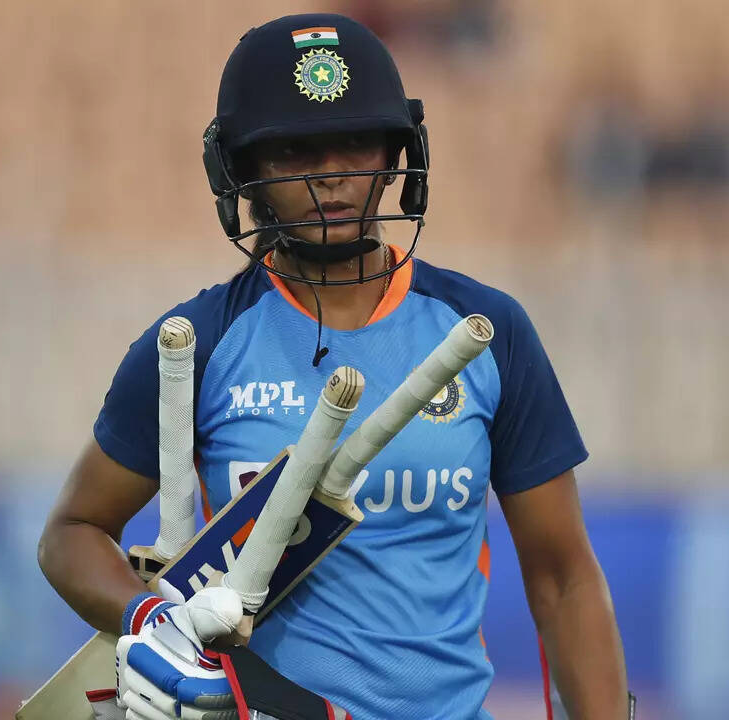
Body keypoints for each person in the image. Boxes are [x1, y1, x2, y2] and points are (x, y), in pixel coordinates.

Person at [38, 12, 630, 720]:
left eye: (354, 142)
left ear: (396, 155)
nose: (332, 175)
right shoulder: (196, 345)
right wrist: (151, 622)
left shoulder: (484, 332)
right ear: (242, 171)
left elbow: (564, 577)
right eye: (294, 151)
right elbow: (70, 534)